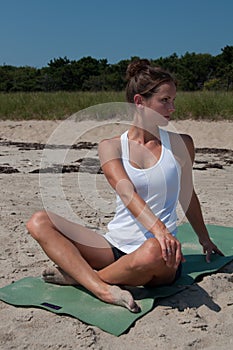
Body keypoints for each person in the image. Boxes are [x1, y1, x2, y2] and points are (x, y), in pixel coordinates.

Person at [26, 59, 223, 313]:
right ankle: (101, 288)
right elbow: (126, 191)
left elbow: (187, 194)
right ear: (140, 102)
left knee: (152, 250)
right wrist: (160, 228)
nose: (172, 108)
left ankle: (80, 277)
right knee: (39, 222)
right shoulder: (111, 147)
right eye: (165, 100)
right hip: (114, 247)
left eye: (173, 100)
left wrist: (203, 237)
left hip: (160, 254)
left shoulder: (181, 144)